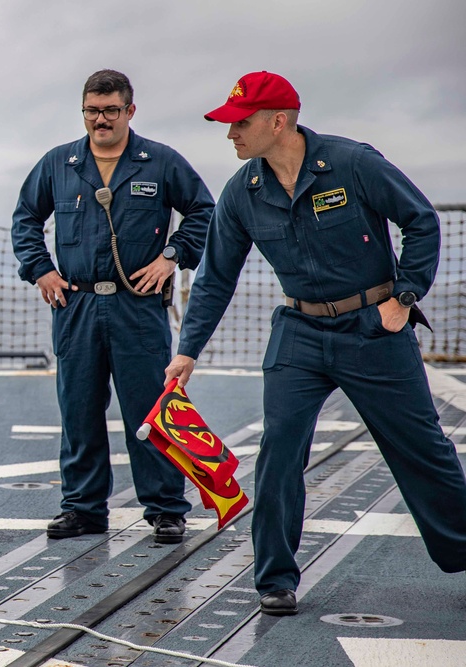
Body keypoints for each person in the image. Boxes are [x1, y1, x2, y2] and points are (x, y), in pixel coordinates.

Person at [167, 71, 466, 616]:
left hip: (373, 329)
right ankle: (275, 579)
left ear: (278, 122)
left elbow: (421, 222)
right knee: (279, 449)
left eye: (241, 123)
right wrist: (188, 350)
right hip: (300, 332)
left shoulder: (353, 163)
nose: (230, 133)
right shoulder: (243, 191)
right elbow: (215, 277)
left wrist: (404, 297)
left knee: (423, 450)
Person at [12, 69, 215, 545]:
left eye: (110, 110)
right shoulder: (58, 163)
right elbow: (25, 217)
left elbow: (204, 211)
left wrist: (172, 258)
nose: (100, 120)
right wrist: (41, 269)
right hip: (76, 305)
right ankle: (83, 509)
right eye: (92, 111)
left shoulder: (160, 162)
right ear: (83, 111)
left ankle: (166, 509)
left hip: (137, 308)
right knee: (78, 410)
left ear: (130, 111)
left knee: (151, 411)